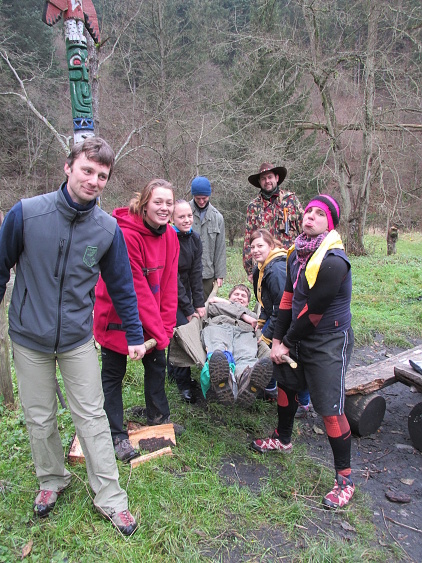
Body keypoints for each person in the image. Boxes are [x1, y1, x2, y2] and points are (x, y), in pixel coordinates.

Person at [0, 137, 144, 536]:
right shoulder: (27, 214)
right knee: (39, 415)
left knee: (93, 416)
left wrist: (134, 333)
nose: (94, 180)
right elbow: (1, 266)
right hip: (29, 336)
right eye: (87, 170)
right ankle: (51, 479)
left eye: (102, 176)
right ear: (68, 167)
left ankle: (111, 497)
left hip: (78, 339)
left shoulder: (107, 229)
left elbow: (122, 286)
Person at [251, 195, 355, 510]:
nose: (310, 216)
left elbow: (314, 313)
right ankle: (283, 439)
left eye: (319, 214)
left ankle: (345, 479)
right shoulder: (296, 253)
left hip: (328, 339)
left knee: (330, 409)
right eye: (308, 211)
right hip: (296, 334)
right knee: (287, 385)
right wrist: (277, 339)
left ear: (330, 223)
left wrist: (285, 341)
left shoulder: (334, 260)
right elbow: (287, 299)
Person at [94, 179, 179, 461]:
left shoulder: (171, 236)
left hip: (151, 318)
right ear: (144, 204)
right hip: (117, 315)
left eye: (169, 203)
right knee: (113, 374)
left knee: (156, 366)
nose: (164, 208)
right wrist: (160, 331)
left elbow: (168, 284)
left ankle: (158, 418)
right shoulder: (126, 235)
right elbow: (136, 290)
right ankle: (115, 434)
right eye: (158, 202)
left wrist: (164, 328)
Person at [244, 163, 310, 411]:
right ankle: (271, 384)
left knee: (284, 332)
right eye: (263, 178)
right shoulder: (254, 206)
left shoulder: (290, 201)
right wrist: (251, 267)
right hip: (264, 266)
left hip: (289, 265)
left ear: (277, 178)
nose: (267, 181)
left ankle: (300, 397)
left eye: (270, 177)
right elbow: (249, 238)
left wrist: (265, 334)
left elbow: (305, 229)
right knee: (269, 311)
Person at [202, 284, 273, 406]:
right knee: (219, 351)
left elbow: (256, 321)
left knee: (246, 355)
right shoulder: (217, 305)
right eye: (236, 294)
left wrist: (232, 306)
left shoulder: (253, 315)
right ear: (229, 297)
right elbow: (212, 309)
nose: (239, 297)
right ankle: (224, 379)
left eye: (243, 296)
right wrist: (242, 314)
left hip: (244, 332)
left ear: (248, 302)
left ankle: (246, 380)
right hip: (220, 326)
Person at [168, 199, 206, 403]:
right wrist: (188, 308)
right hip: (168, 293)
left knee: (180, 329)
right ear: (172, 218)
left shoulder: (195, 239)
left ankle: (173, 372)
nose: (186, 220)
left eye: (189, 215)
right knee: (182, 331)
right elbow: (173, 278)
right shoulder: (169, 238)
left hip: (186, 291)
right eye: (181, 216)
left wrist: (198, 304)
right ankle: (183, 382)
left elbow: (196, 273)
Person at [250, 229, 287, 400]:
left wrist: (267, 335)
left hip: (288, 319)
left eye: (260, 246)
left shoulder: (276, 270)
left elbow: (282, 308)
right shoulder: (260, 268)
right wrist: (261, 321)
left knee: (276, 354)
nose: (255, 250)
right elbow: (266, 300)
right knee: (266, 352)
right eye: (252, 247)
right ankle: (270, 389)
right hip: (274, 316)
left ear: (271, 246)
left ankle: (303, 403)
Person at [189, 176, 226, 301]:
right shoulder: (184, 212)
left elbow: (220, 248)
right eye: (198, 198)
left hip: (207, 274)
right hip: (186, 273)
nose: (201, 201)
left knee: (205, 307)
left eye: (204, 198)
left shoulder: (218, 217)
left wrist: (220, 275)